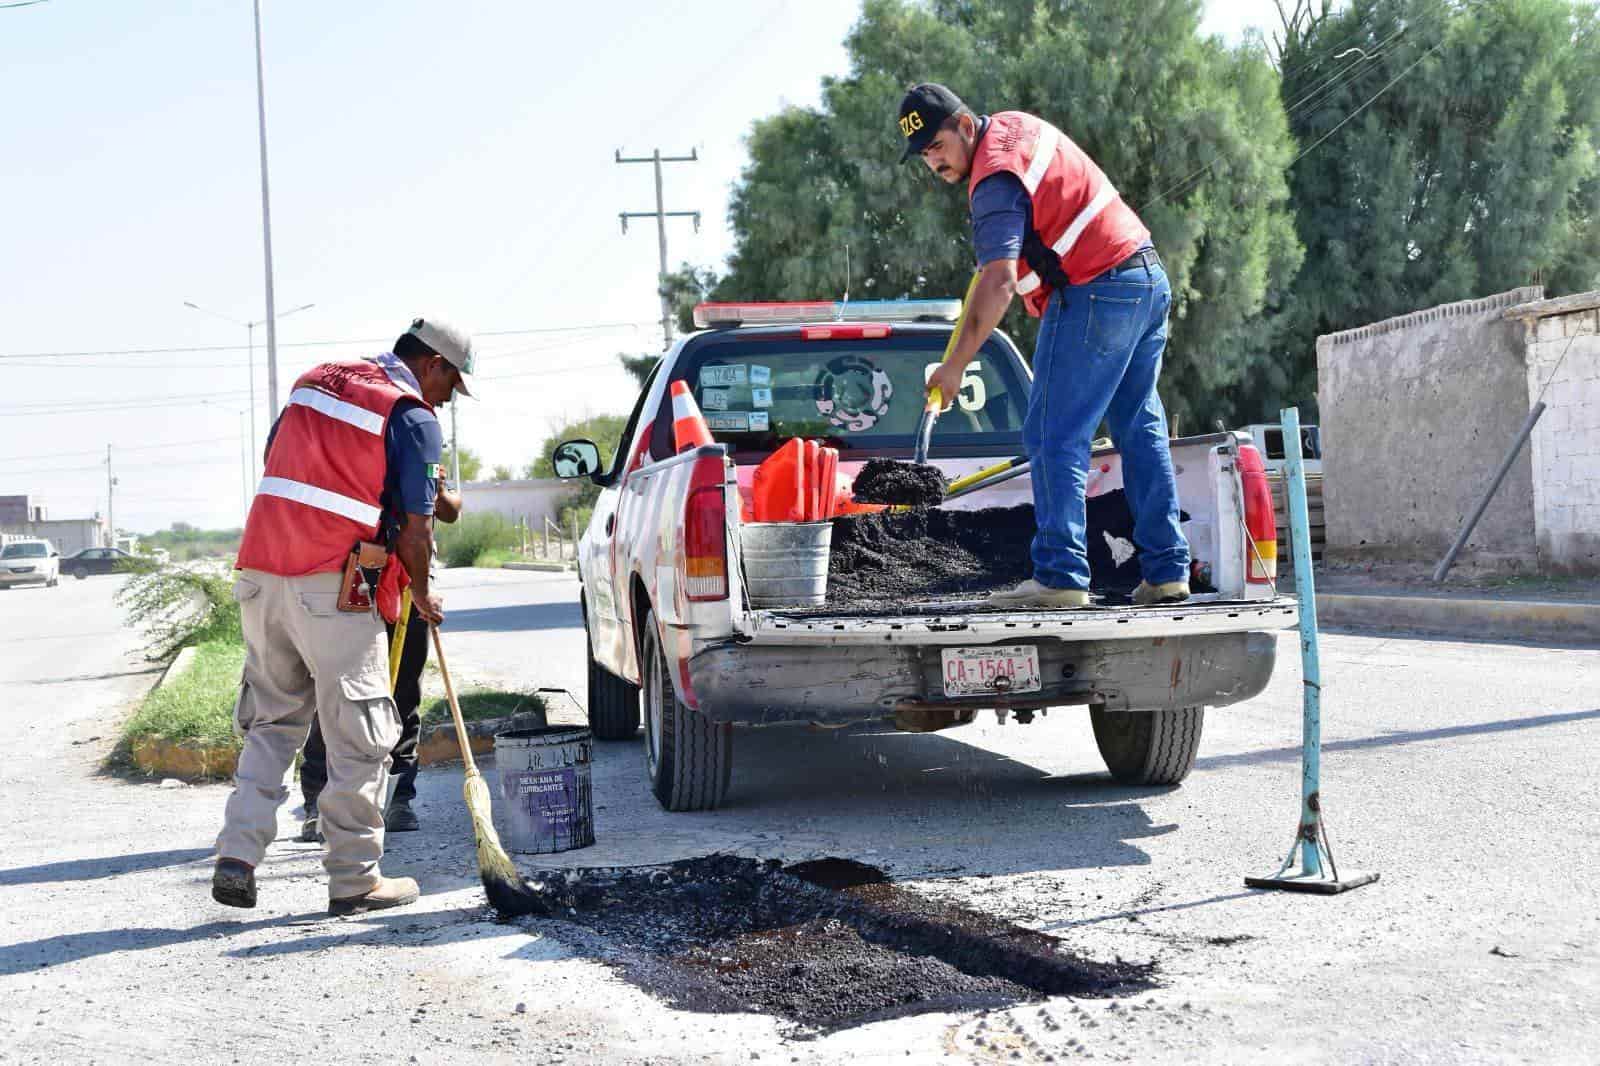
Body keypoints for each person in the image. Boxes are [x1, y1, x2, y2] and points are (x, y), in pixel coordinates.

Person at [212, 317, 475, 915]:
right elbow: (417, 530)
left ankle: (237, 854)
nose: (446, 399)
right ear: (431, 364)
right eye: (450, 385)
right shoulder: (410, 414)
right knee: (359, 735)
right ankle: (355, 877)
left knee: (272, 723)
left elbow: (283, 463)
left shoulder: (313, 384)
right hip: (335, 583)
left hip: (259, 573)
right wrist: (425, 593)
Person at [898, 83, 1190, 608]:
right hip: (1145, 279)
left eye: (936, 147)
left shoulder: (992, 179)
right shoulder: (1014, 129)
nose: (932, 164)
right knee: (1137, 426)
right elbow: (988, 275)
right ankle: (1167, 571)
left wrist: (954, 368)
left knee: (1053, 431)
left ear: (965, 126)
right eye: (923, 156)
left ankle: (1060, 576)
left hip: (1097, 289)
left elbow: (1000, 280)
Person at [297, 471, 461, 842]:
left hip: (410, 579)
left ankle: (398, 798)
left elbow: (449, 513)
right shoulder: (369, 433)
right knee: (340, 691)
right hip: (361, 570)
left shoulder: (422, 438)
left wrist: (435, 487)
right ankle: (317, 803)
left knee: (404, 694)